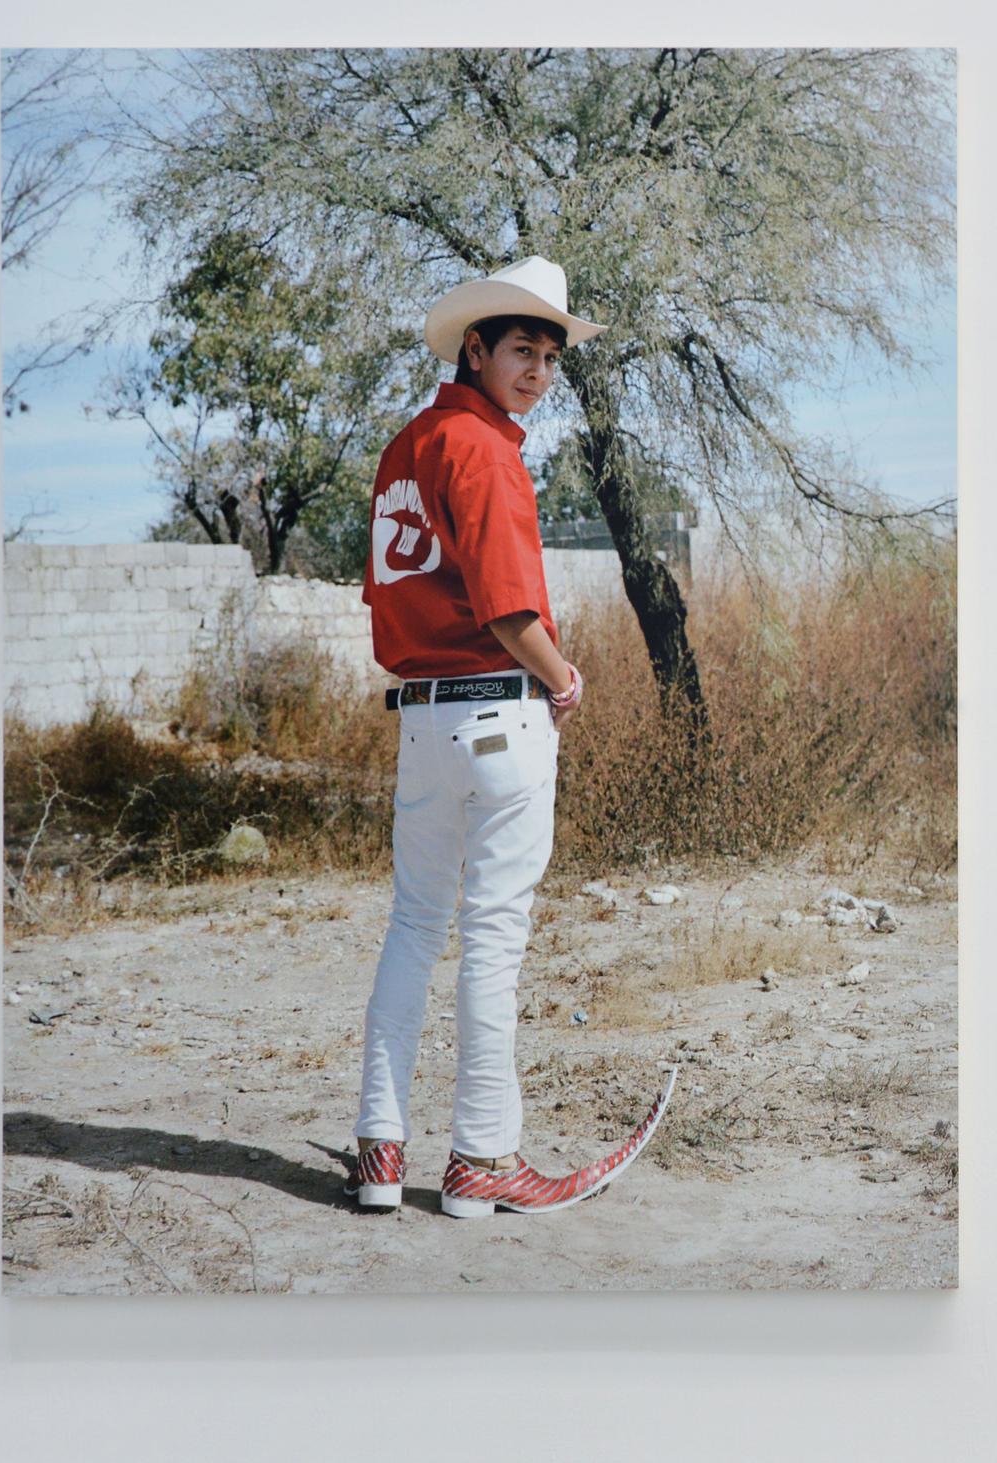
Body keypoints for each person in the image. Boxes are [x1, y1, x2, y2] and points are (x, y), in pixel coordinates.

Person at [345, 256, 673, 1218]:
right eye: (521, 349)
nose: (536, 371)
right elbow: (505, 609)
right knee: (490, 936)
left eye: (549, 356)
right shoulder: (482, 448)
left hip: (422, 718)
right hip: (496, 710)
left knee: (414, 924)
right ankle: (484, 1159)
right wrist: (562, 675)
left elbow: (388, 599)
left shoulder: (406, 446)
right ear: (474, 349)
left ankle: (380, 1148)